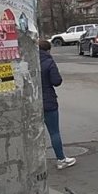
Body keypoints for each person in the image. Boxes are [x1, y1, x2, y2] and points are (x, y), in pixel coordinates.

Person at [39, 40, 76, 169]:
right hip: (48, 102)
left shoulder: (29, 60)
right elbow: (56, 81)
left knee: (34, 133)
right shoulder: (49, 62)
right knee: (54, 132)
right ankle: (61, 159)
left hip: (33, 103)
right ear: (48, 50)